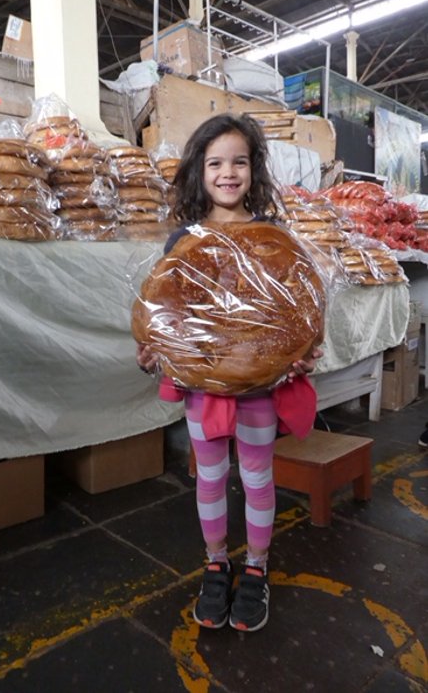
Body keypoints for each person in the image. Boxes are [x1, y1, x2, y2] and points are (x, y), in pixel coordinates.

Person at [136, 113, 322, 632]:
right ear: (199, 171)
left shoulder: (275, 237)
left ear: (253, 170)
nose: (227, 172)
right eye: (215, 162)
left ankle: (257, 566)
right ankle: (217, 561)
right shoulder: (184, 240)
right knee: (211, 476)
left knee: (258, 476)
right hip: (203, 386)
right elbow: (165, 310)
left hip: (262, 384)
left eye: (239, 161)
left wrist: (306, 350)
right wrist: (153, 346)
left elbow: (301, 309)